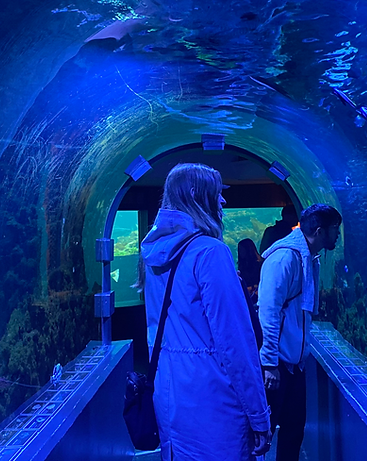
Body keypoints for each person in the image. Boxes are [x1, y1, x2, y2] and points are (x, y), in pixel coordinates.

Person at [139, 163, 271, 460]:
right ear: (199, 196)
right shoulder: (210, 252)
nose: (223, 202)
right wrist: (259, 415)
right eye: (217, 194)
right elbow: (235, 343)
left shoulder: (152, 254)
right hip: (213, 402)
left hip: (170, 396)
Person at [258, 203, 342, 461]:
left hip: (295, 365)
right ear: (319, 231)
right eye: (334, 230)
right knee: (263, 433)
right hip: (278, 365)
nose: (338, 235)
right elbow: (268, 311)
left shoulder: (308, 258)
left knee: (294, 432)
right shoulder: (285, 258)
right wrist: (269, 363)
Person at [237, 238, 264, 349]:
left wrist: (254, 289)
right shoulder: (242, 265)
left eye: (243, 250)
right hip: (247, 300)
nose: (241, 253)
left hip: (258, 300)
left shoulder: (260, 264)